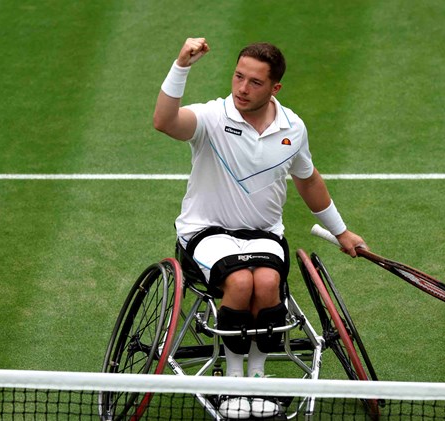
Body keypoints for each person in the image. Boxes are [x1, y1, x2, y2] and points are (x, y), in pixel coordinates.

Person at [153, 37, 367, 419]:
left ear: (274, 88)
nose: (242, 88)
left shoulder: (292, 128)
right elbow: (164, 122)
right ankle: (235, 382)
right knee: (239, 283)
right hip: (206, 233)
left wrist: (341, 231)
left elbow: (308, 180)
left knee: (267, 284)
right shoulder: (213, 118)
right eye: (238, 77)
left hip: (263, 233)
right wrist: (181, 65)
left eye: (254, 82)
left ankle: (258, 378)